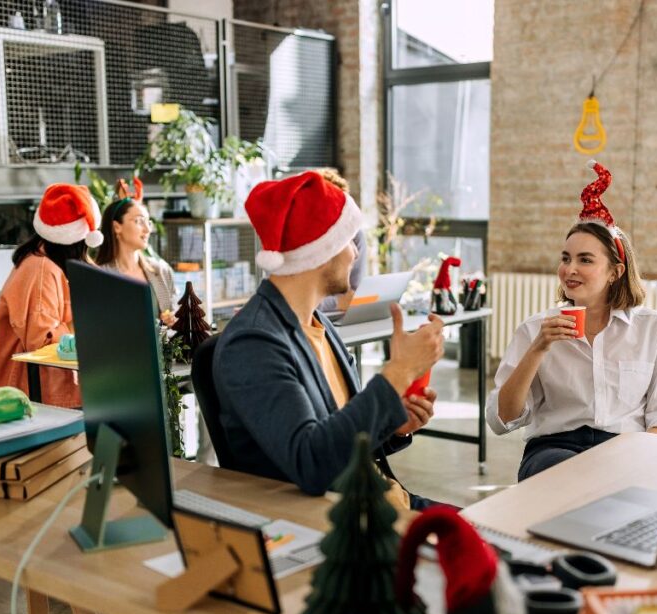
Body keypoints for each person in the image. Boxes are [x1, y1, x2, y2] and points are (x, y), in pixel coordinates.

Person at [213, 171, 445, 509]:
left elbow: (341, 434)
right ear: (321, 249)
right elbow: (313, 464)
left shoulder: (318, 325)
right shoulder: (253, 344)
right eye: (348, 240)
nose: (354, 253)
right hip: (345, 525)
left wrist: (394, 426)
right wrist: (398, 373)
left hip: (385, 500)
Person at [487, 161, 657, 481]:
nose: (570, 269)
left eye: (585, 260)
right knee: (564, 474)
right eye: (565, 258)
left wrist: (642, 458)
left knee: (618, 483)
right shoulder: (534, 329)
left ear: (615, 272)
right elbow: (502, 419)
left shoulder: (655, 329)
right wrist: (538, 348)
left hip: (627, 447)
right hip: (554, 448)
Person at [0, 184, 102, 408]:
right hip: (39, 397)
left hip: (62, 393)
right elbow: (43, 340)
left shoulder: (61, 263)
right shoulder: (40, 269)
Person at [94, 177, 177, 325]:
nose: (147, 230)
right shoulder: (99, 278)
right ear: (116, 227)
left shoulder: (161, 270)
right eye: (139, 221)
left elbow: (176, 313)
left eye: (148, 222)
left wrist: (174, 319)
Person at [313, 168, 366, 314]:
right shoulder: (302, 244)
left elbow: (353, 295)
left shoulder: (355, 235)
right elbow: (294, 300)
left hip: (336, 316)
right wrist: (336, 302)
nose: (354, 252)